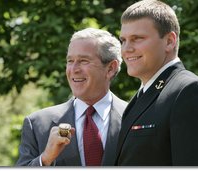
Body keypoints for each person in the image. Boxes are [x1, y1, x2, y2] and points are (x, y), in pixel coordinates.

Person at [114, 0, 198, 166]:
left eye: (137, 39)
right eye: (123, 40)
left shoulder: (189, 91)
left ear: (169, 41)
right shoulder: (140, 97)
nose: (126, 49)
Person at [16, 28, 128, 166]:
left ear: (111, 68)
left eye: (83, 61)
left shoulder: (135, 118)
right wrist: (45, 159)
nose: (74, 69)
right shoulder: (36, 124)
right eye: (70, 61)